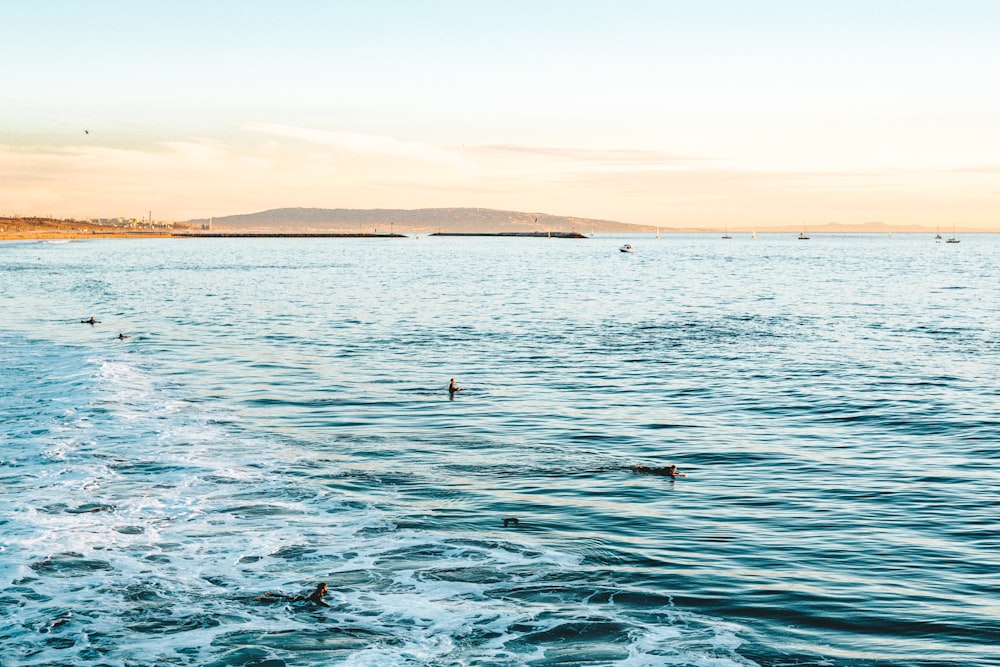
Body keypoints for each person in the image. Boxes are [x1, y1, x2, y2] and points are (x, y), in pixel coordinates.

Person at [256, 582, 330, 607]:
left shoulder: (316, 593)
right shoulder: (316, 595)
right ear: (323, 589)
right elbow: (319, 602)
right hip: (300, 601)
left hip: (301, 598)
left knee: (286, 597)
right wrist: (329, 607)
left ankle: (270, 594)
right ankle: (262, 599)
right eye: (326, 587)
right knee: (282, 601)